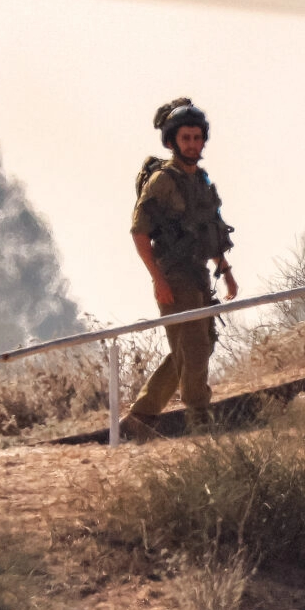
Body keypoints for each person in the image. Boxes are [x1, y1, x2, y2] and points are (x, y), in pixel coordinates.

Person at [121, 98, 237, 439]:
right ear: (172, 141)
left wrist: (225, 270)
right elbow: (139, 233)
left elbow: (210, 230)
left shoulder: (200, 180)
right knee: (194, 347)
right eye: (185, 138)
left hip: (199, 274)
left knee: (200, 343)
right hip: (173, 276)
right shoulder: (162, 181)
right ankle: (201, 422)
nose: (192, 144)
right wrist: (158, 280)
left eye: (197, 138)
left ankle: (141, 418)